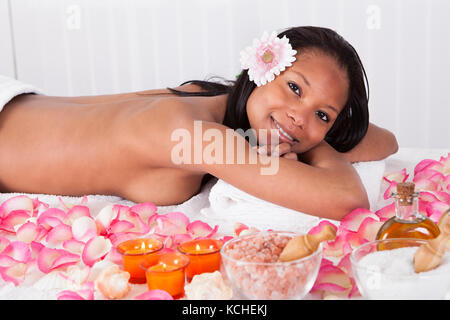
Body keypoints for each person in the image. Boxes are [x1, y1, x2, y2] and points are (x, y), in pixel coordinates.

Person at [0, 26, 397, 220]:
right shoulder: (196, 137)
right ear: (261, 70)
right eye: (294, 88)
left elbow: (386, 141)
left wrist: (307, 134)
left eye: (322, 114)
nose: (300, 115)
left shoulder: (206, 96)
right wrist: (313, 139)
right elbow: (347, 200)